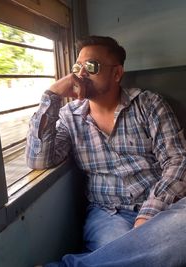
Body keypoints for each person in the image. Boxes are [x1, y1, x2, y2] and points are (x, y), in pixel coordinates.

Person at [26, 36, 186, 267]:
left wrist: (149, 214)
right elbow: (38, 159)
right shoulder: (70, 116)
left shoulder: (148, 104)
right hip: (108, 213)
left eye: (91, 66)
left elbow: (178, 161)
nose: (81, 74)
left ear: (117, 73)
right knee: (128, 253)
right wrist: (52, 95)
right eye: (77, 67)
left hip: (164, 204)